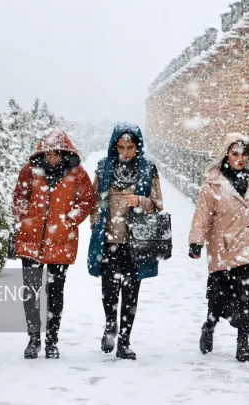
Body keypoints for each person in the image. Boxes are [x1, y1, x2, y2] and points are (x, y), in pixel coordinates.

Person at [188, 133, 249, 362]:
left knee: (247, 297)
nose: (240, 159)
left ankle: (243, 343)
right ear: (226, 155)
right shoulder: (213, 183)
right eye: (234, 154)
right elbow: (202, 215)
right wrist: (196, 242)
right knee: (218, 297)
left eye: (244, 154)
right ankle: (210, 325)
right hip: (223, 249)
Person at [13, 128, 96, 360]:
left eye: (57, 153)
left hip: (60, 241)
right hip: (31, 241)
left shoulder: (76, 174)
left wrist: (70, 219)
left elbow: (87, 199)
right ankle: (33, 339)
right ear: (42, 151)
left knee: (54, 294)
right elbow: (19, 196)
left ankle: (51, 340)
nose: (52, 158)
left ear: (64, 152)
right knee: (30, 293)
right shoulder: (30, 171)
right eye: (48, 153)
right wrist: (23, 219)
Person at [88, 123, 163, 360]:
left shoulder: (148, 169)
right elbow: (94, 202)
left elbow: (158, 203)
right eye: (121, 147)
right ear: (114, 146)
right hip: (109, 240)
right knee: (109, 290)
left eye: (130, 147)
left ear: (137, 147)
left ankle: (124, 341)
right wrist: (95, 223)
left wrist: (140, 201)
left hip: (135, 242)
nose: (126, 153)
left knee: (131, 293)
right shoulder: (103, 168)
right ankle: (111, 326)